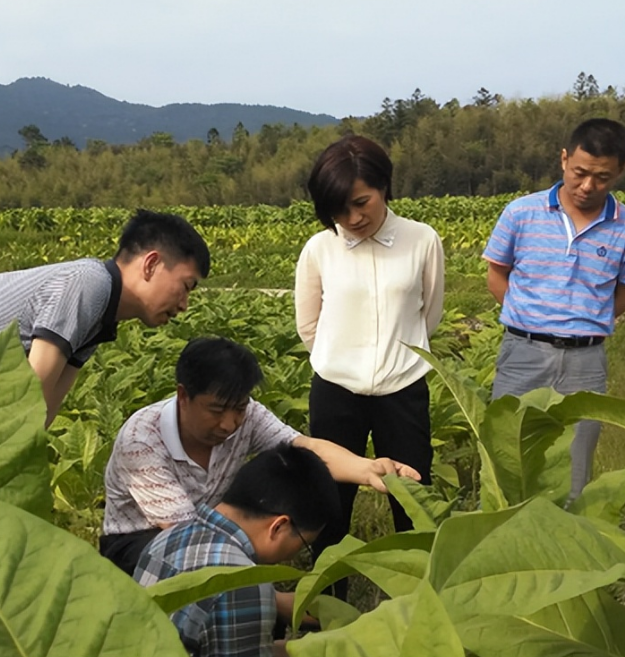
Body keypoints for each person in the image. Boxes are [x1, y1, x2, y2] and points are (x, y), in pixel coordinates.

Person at [101, 336, 419, 575]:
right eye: (216, 410)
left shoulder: (248, 416)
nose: (229, 424)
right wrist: (275, 602)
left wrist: (367, 469)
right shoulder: (141, 440)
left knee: (243, 569)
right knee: (224, 576)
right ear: (183, 396)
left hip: (208, 530)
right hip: (140, 541)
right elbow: (187, 540)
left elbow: (303, 447)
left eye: (238, 409)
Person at [0, 209, 210, 427]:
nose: (184, 304)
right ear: (152, 264)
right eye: (185, 287)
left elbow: (44, 413)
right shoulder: (89, 283)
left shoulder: (103, 315)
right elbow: (32, 390)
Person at [293, 135, 444, 570]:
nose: (352, 218)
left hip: (404, 390)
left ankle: (416, 596)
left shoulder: (422, 240)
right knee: (329, 500)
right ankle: (325, 601)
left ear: (384, 187)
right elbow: (309, 326)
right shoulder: (320, 249)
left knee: (412, 499)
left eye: (361, 202)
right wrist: (341, 359)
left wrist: (395, 359)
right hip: (336, 392)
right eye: (338, 209)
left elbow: (427, 315)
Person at [483, 118, 625, 503]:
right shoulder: (521, 213)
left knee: (576, 472)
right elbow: (496, 274)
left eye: (603, 177)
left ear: (621, 170)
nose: (588, 186)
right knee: (508, 462)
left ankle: (565, 552)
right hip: (522, 354)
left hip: (586, 361)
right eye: (580, 173)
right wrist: (528, 318)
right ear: (563, 160)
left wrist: (588, 320)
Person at [134, 443, 339, 657]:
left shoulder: (167, 538)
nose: (293, 556)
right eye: (303, 544)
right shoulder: (243, 583)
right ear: (278, 526)